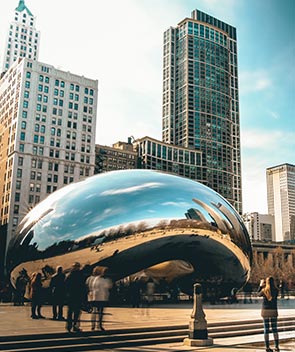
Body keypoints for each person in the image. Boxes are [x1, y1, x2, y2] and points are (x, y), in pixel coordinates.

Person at [86, 266, 112, 331]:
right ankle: (97, 325)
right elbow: (109, 286)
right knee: (98, 312)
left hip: (98, 297)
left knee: (96, 311)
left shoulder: (97, 279)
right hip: (99, 297)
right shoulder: (104, 280)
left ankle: (95, 325)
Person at [258, 277, 280, 352]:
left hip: (265, 311)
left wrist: (261, 285)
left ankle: (267, 347)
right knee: (274, 329)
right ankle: (276, 346)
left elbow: (258, 294)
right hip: (273, 310)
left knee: (266, 329)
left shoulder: (264, 290)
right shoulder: (276, 290)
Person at [65, 262, 85, 333]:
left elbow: (65, 286)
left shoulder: (69, 275)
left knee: (70, 312)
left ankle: (69, 326)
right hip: (77, 296)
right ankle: (75, 326)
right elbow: (82, 286)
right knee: (76, 312)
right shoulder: (80, 275)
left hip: (71, 296)